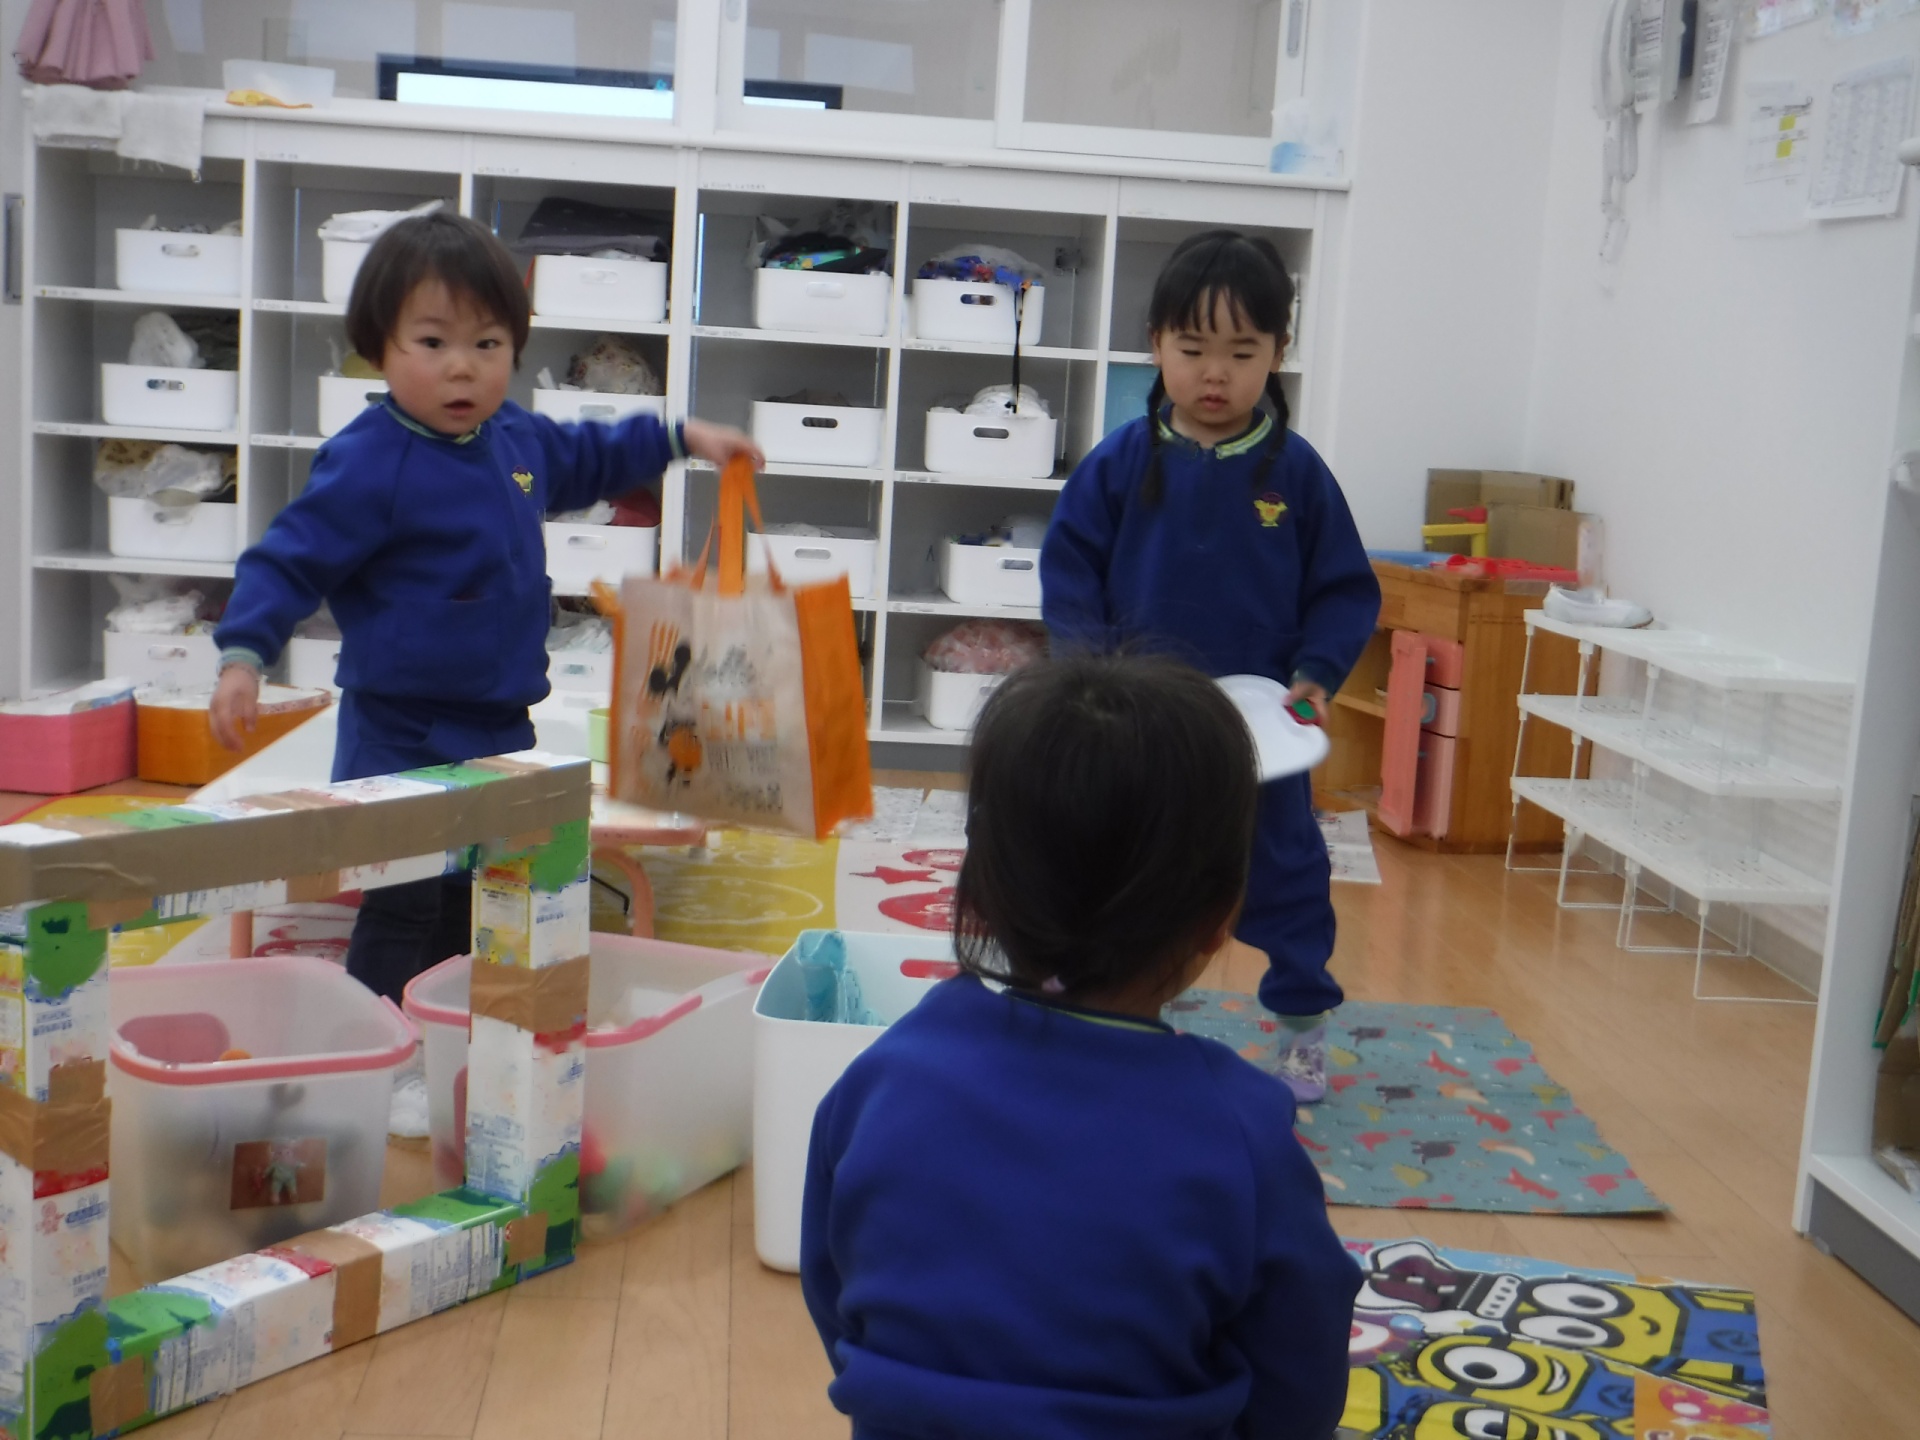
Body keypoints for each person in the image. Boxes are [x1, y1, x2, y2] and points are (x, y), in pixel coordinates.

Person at [210, 210, 762, 1020]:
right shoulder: (369, 461)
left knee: (479, 892)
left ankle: (449, 1018)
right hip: (398, 733)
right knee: (402, 899)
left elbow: (593, 455)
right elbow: (290, 558)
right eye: (432, 342)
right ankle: (375, 1030)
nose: (462, 367)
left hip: (500, 725)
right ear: (379, 345)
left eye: (488, 343)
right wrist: (244, 656)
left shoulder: (514, 438)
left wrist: (682, 437)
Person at [800, 654, 1361, 1440]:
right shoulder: (1243, 1132)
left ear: (979, 891)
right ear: (1219, 918)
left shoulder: (884, 1077)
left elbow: (836, 1291)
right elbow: (1302, 1375)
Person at [1040, 230, 1380, 1102]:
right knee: (1121, 863)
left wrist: (1316, 673)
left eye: (1242, 351)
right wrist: (1090, 675)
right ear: (1156, 344)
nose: (1215, 374)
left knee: (1286, 873)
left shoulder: (1297, 475)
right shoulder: (1119, 464)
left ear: (1279, 352)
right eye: (1193, 350)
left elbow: (1345, 589)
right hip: (1140, 720)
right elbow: (1069, 576)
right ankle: (1103, 1003)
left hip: (1261, 732)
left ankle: (1302, 1027)